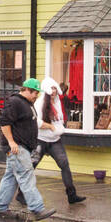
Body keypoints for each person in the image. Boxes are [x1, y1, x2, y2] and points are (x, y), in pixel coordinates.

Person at [0, 77, 56, 221]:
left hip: (22, 148)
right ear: (26, 89)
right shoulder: (15, 102)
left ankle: (0, 208)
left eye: (37, 93)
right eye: (34, 92)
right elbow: (4, 122)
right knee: (27, 177)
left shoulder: (27, 104)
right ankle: (37, 209)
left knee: (11, 178)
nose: (36, 95)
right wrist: (11, 142)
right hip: (17, 148)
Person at [32, 76, 86, 205]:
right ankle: (22, 195)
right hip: (40, 140)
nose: (54, 91)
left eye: (55, 88)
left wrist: (60, 127)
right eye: (52, 88)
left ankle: (72, 195)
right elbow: (37, 122)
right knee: (31, 166)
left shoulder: (57, 102)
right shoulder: (39, 103)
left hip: (55, 140)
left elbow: (60, 120)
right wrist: (51, 127)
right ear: (46, 90)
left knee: (64, 165)